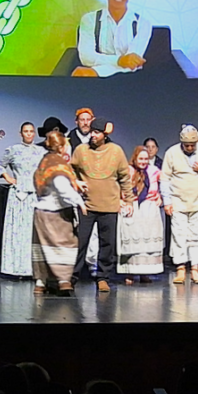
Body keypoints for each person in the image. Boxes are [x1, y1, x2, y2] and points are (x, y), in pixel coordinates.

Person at [71, 117, 133, 292]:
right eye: (92, 131)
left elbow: (124, 178)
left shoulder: (116, 151)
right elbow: (69, 170)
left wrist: (128, 200)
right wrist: (75, 182)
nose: (93, 135)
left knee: (108, 244)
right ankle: (72, 276)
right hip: (87, 206)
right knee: (80, 242)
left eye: (96, 132)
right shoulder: (81, 150)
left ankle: (103, 278)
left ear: (105, 134)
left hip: (109, 206)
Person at [160, 124, 198, 284]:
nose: (190, 148)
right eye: (187, 145)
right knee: (178, 235)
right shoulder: (172, 152)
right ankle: (180, 268)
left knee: (196, 236)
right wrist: (167, 201)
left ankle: (195, 268)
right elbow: (164, 178)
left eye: (193, 145)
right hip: (178, 200)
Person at [32, 131, 86, 295]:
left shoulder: (45, 160)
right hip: (56, 213)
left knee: (42, 247)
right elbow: (61, 186)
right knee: (64, 245)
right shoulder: (58, 163)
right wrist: (79, 202)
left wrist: (76, 183)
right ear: (62, 146)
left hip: (41, 212)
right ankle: (63, 281)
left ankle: (41, 282)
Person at [73, 0, 153, 78]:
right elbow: (86, 57)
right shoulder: (89, 20)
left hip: (130, 79)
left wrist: (91, 73)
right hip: (98, 79)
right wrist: (119, 60)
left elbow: (131, 63)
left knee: (80, 74)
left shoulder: (143, 24)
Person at [0, 122, 47, 278]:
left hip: (35, 194)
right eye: (26, 131)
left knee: (33, 232)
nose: (29, 134)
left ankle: (33, 269)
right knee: (17, 231)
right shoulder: (13, 150)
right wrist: (9, 178)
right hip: (18, 195)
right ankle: (15, 268)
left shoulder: (41, 152)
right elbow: (0, 165)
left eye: (31, 131)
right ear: (21, 133)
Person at [117, 146, 165, 284]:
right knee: (132, 240)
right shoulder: (127, 170)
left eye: (146, 159)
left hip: (149, 209)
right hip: (133, 207)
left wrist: (160, 197)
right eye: (141, 158)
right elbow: (118, 186)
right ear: (135, 158)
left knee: (147, 242)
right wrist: (120, 201)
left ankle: (145, 272)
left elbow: (163, 185)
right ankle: (130, 272)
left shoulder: (154, 171)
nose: (143, 161)